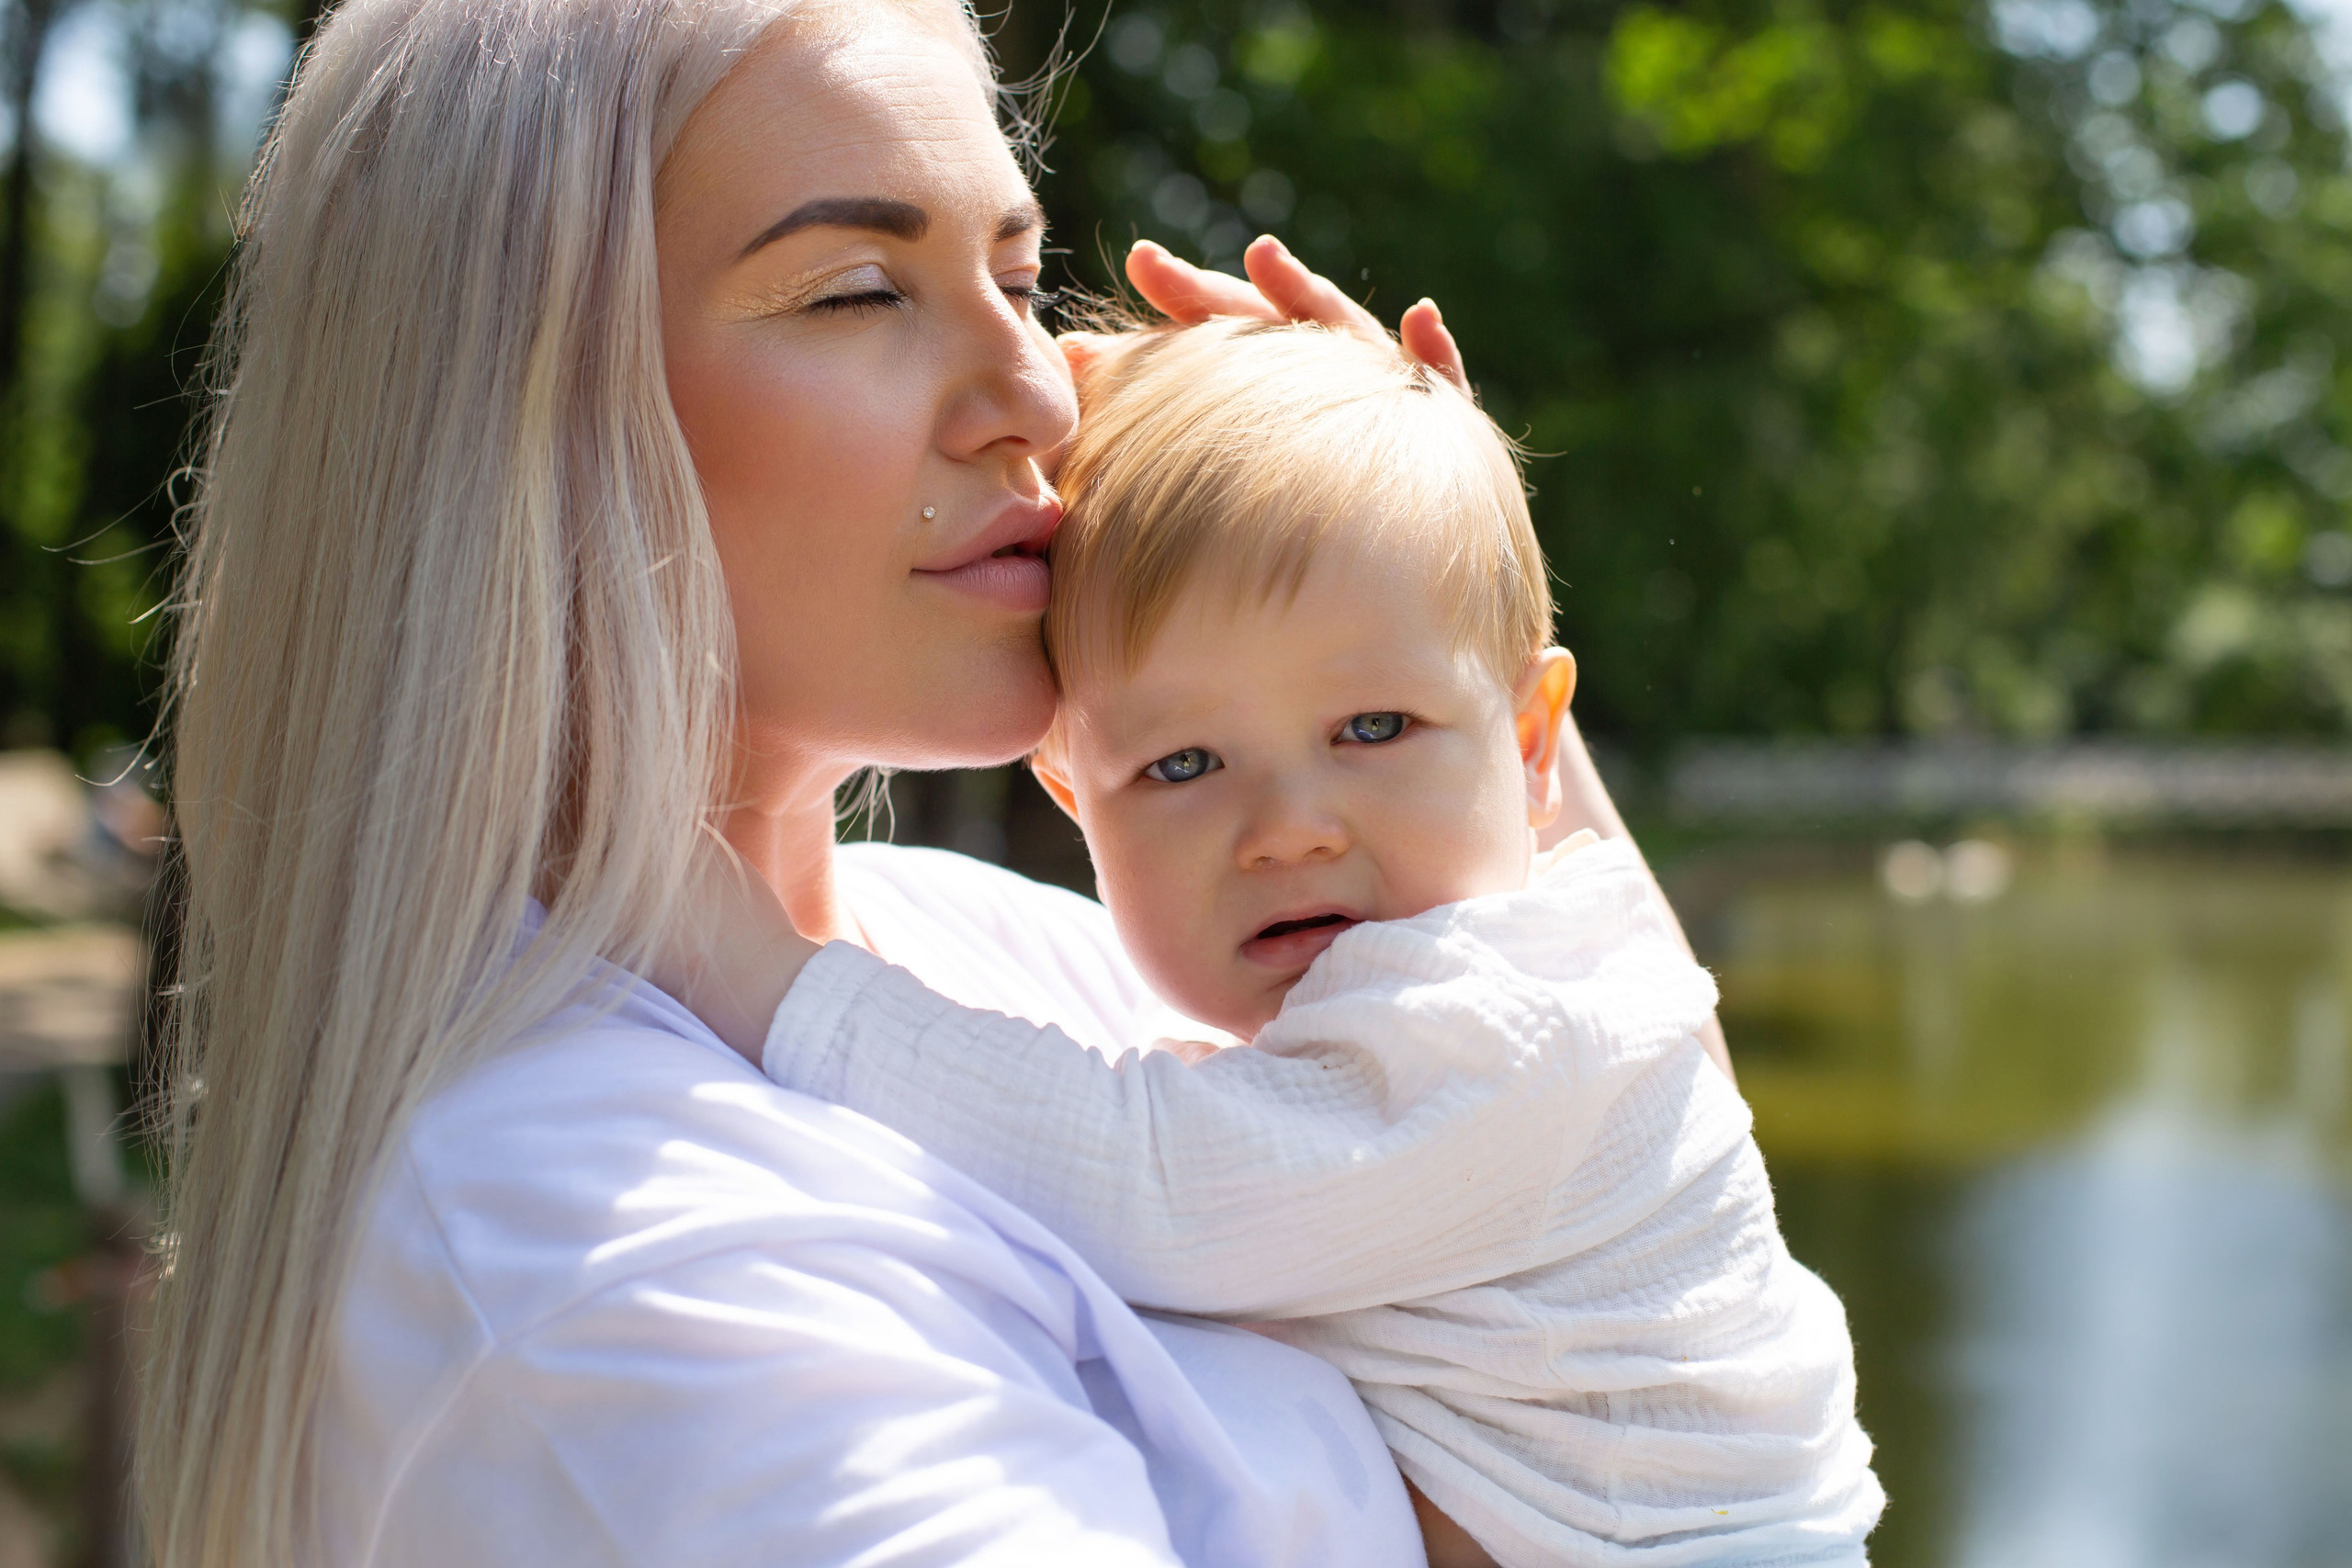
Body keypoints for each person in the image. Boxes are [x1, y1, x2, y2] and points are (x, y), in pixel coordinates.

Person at [133, 0, 1727, 1563]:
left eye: (1021, 279)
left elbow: (1627, 1186)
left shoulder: (995, 946)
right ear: (507, 420)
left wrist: (1423, 588)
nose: (1036, 391)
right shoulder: (603, 1251)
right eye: (856, 293)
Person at [686, 320, 1883, 1565]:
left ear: (1531, 742)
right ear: (1072, 796)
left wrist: (767, 977)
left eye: (1374, 728)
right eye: (1184, 764)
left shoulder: (1508, 1027)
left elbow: (1144, 1179)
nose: (1289, 830)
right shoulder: (1529, 992)